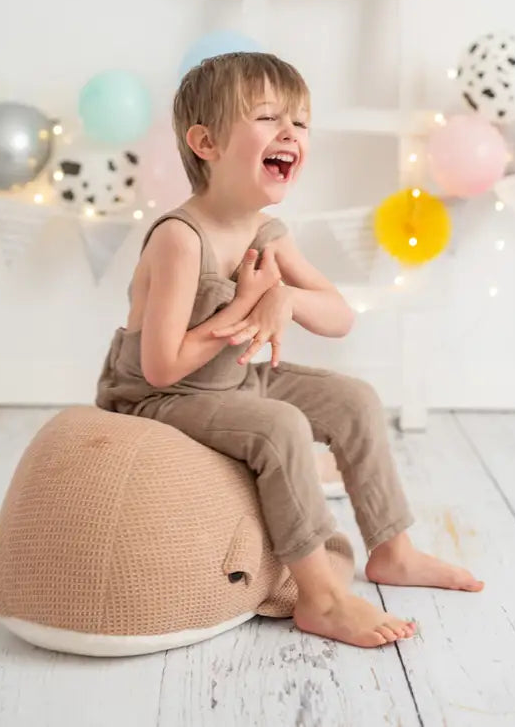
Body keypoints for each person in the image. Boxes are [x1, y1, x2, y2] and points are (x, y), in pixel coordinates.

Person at [96, 51, 484, 648]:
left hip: (231, 379)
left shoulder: (266, 232)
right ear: (206, 142)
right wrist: (240, 307)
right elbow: (160, 364)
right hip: (158, 396)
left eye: (300, 123)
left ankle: (393, 551)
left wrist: (284, 298)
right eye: (268, 118)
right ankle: (322, 598)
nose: (290, 134)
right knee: (278, 427)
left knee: (354, 398)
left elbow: (340, 317)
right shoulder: (180, 239)